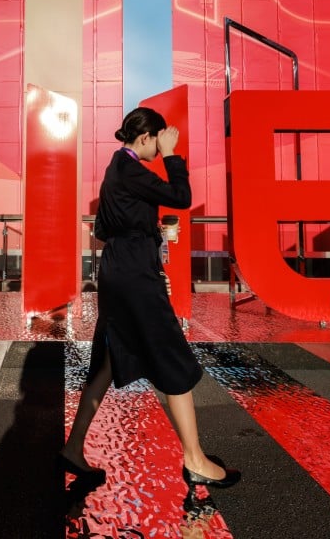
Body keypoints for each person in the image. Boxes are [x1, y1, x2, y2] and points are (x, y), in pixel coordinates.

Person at [59, 107, 240, 488]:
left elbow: (104, 228)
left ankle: (74, 446)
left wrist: (144, 234)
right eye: (159, 143)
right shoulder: (130, 169)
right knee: (169, 355)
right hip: (135, 276)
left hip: (118, 270)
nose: (161, 151)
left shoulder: (115, 169)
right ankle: (194, 460)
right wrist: (173, 157)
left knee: (108, 359)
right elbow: (182, 195)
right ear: (144, 138)